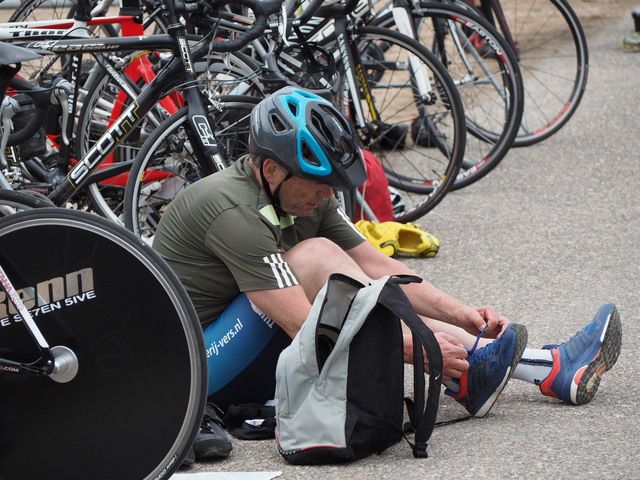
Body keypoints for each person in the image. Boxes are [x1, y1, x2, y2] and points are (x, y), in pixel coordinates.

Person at [153, 86, 622, 463]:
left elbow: (377, 266)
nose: (325, 197)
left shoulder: (297, 192)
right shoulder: (232, 210)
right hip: (201, 370)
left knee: (342, 268)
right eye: (319, 187)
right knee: (315, 259)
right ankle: (495, 371)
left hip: (258, 346)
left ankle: (539, 367)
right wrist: (419, 350)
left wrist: (461, 315)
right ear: (272, 170)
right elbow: (306, 324)